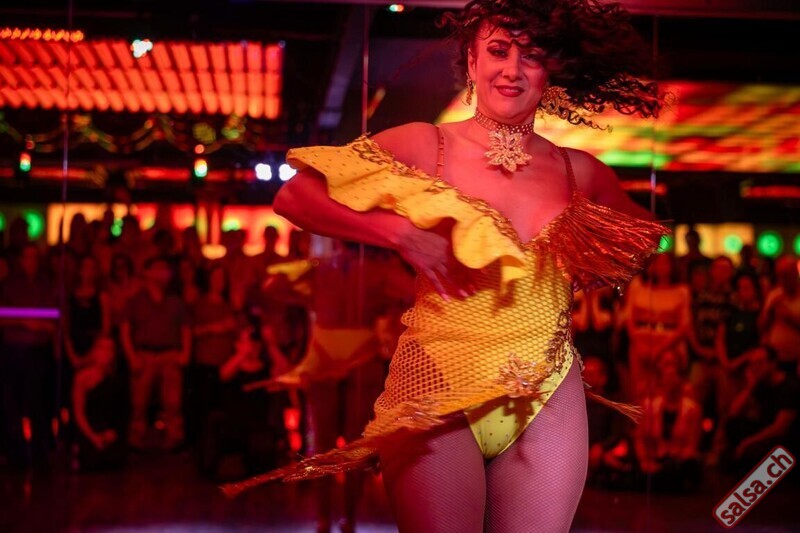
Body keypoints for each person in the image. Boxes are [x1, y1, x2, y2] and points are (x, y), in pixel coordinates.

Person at [226, 1, 668, 531]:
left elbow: (646, 235)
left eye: (530, 56)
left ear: (549, 69)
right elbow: (295, 196)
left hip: (548, 390)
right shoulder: (427, 144)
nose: (512, 69)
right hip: (436, 382)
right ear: (472, 61)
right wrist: (401, 235)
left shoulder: (579, 171)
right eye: (498, 51)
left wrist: (594, 260)